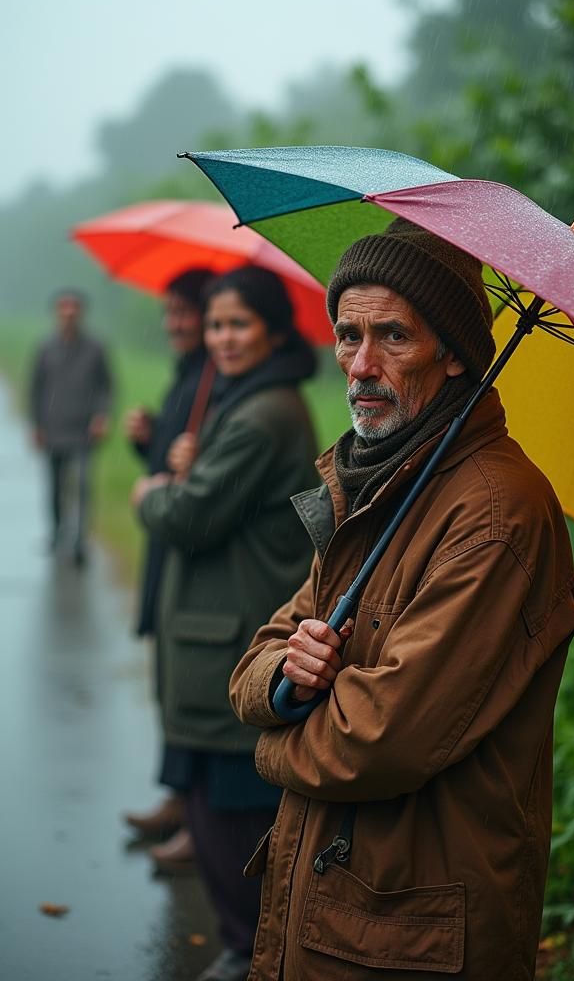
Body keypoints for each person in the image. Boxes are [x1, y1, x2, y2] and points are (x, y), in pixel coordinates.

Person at [229, 219, 574, 981]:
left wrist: (267, 745)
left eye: (394, 336)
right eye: (347, 334)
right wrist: (288, 680)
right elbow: (258, 657)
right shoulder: (379, 482)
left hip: (410, 937)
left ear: (455, 354)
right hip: (334, 906)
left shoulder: (495, 514)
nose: (361, 365)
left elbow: (380, 740)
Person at [132, 266, 319, 981]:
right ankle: (250, 945)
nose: (223, 337)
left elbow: (192, 515)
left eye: (239, 323)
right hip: (215, 628)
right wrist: (187, 458)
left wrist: (154, 490)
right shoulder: (247, 405)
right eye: (215, 324)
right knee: (215, 804)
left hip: (230, 633)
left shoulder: (265, 411)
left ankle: (252, 950)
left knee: (232, 808)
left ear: (273, 329)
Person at [123, 269, 219, 868]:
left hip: (189, 548)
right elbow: (170, 462)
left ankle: (191, 809)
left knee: (185, 680)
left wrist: (187, 457)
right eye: (173, 313)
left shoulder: (222, 385)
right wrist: (150, 439)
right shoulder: (191, 377)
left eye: (188, 313)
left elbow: (197, 478)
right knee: (167, 675)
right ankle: (177, 795)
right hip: (169, 541)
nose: (176, 324)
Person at [29, 288, 113, 567]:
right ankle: (57, 534)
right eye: (63, 309)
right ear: (56, 313)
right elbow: (36, 387)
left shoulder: (96, 348)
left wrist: (102, 415)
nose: (68, 314)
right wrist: (36, 425)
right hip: (53, 429)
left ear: (81, 313)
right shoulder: (45, 347)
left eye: (73, 309)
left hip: (83, 431)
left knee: (81, 487)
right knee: (54, 487)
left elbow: (106, 386)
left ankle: (79, 542)